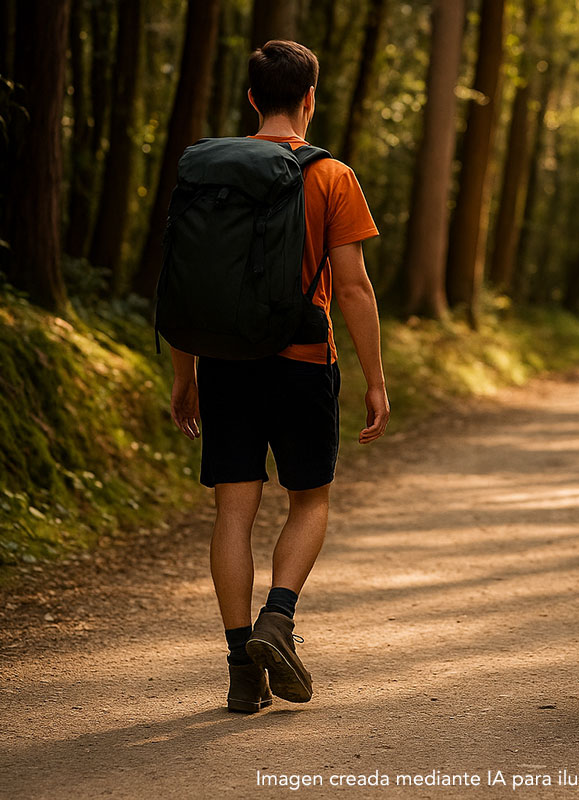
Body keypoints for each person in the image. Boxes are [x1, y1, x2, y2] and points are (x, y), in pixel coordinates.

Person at [168, 40, 389, 712]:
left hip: (225, 363)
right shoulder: (331, 175)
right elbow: (352, 288)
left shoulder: (209, 172)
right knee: (309, 501)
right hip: (302, 362)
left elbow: (184, 284)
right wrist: (376, 379)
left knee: (233, 512)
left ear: (252, 99)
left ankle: (242, 668)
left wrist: (185, 375)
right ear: (310, 99)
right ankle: (278, 620)